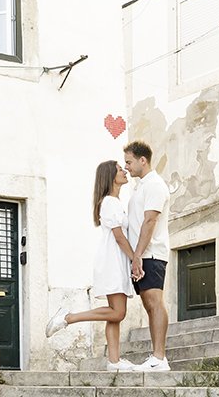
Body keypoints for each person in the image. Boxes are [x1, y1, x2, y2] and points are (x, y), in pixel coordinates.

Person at [44, 160, 139, 371]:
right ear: (109, 176)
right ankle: (69, 318)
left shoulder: (113, 202)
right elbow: (119, 237)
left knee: (114, 314)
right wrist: (135, 259)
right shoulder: (110, 203)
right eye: (120, 169)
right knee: (118, 313)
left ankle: (114, 362)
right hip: (113, 262)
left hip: (115, 262)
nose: (124, 171)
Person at [123, 140, 170, 371]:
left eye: (129, 162)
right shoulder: (140, 186)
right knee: (149, 305)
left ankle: (159, 358)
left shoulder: (155, 185)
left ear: (143, 160)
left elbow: (150, 220)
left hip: (151, 254)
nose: (127, 167)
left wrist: (138, 255)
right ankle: (157, 357)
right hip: (142, 255)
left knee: (154, 302)